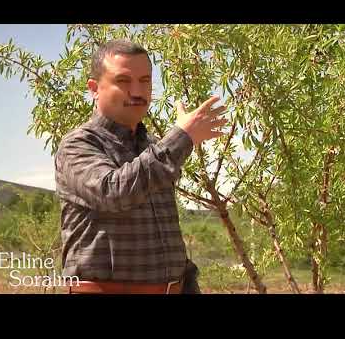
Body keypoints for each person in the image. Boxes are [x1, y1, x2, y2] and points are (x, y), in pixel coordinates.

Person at [54, 40, 228, 294]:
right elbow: (113, 192)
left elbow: (166, 235)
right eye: (123, 81)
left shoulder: (153, 148)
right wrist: (182, 136)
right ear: (94, 88)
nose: (137, 91)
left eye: (145, 80)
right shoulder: (78, 145)